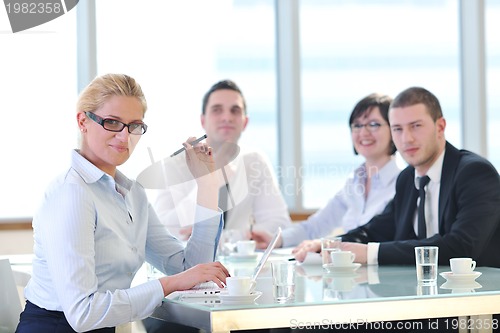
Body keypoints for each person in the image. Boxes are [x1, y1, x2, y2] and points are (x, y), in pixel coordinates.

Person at [16, 74, 229, 333]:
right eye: (112, 123)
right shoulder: (71, 194)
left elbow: (193, 273)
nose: (125, 136)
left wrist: (206, 184)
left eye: (134, 126)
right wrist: (168, 284)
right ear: (83, 121)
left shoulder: (132, 194)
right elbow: (83, 314)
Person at [337, 86, 500, 267]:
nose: (407, 139)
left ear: (440, 127)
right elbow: (375, 231)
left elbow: (461, 248)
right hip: (425, 291)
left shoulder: (474, 173)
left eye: (416, 126)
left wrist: (371, 254)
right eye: (397, 129)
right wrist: (329, 246)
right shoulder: (407, 179)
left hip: (481, 291)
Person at [251, 93, 401, 258]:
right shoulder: (354, 182)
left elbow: (381, 239)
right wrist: (276, 240)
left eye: (373, 124)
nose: (363, 132)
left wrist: (326, 244)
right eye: (357, 125)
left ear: (394, 129)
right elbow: (316, 225)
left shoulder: (404, 184)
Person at [153, 79, 291, 242]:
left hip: (238, 263)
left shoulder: (255, 161)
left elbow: (279, 224)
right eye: (217, 110)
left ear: (245, 122)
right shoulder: (173, 165)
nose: (227, 117)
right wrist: (210, 180)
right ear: (203, 121)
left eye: (235, 111)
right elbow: (165, 230)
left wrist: (227, 238)